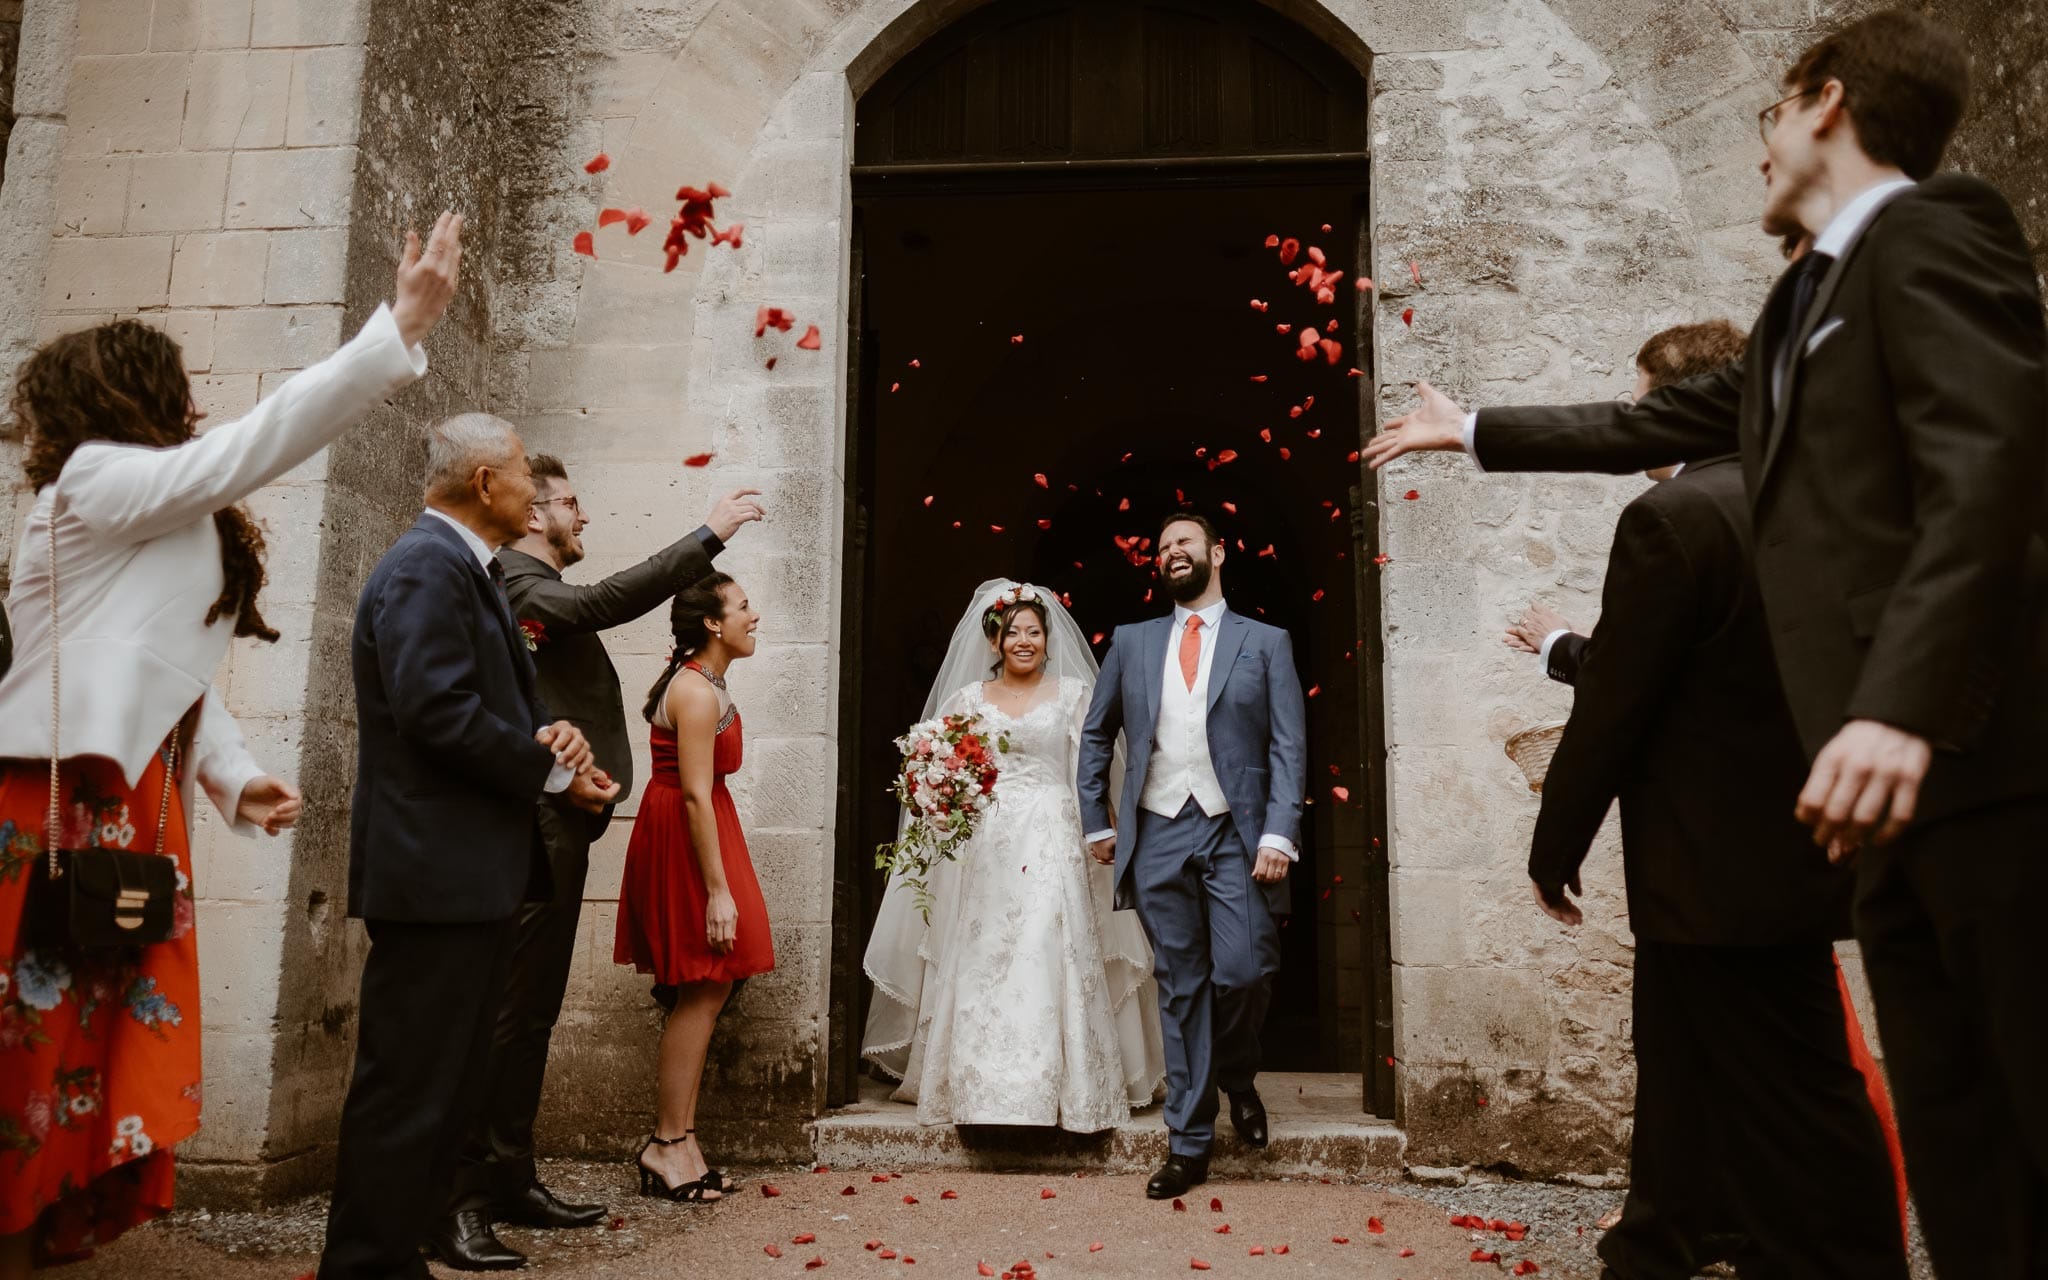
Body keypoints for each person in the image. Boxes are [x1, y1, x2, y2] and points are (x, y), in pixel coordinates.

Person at [1365, 12, 2048, 1275]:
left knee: (2017, 1114)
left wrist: (1896, 704)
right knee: (1959, 1147)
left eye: (1766, 115)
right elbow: (1658, 420)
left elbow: (1991, 467)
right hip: (1877, 792)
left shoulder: (1938, 235)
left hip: (1971, 761)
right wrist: (1468, 428)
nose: (1757, 149)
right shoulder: (1799, 298)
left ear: (1825, 104)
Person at [0, 213, 460, 1276]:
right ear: (129, 398)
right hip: (52, 799)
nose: (199, 403)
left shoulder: (152, 515)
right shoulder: (91, 486)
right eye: (177, 386)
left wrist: (235, 771)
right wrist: (392, 329)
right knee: (35, 1045)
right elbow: (247, 449)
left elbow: (163, 670)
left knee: (83, 1043)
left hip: (132, 803)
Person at [1523, 333, 1906, 1280]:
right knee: (1687, 1062)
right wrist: (1569, 647)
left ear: (1682, 403)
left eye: (1643, 398)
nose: (1638, 415)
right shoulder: (1816, 504)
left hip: (1705, 867)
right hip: (1798, 853)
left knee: (1804, 1089)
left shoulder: (1671, 515)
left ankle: (1845, 1259)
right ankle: (1664, 1239)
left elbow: (1621, 703)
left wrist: (1554, 845)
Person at [321, 414, 618, 1279]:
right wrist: (548, 776)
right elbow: (435, 712)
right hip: (435, 874)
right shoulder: (425, 565)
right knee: (407, 1088)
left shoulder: (466, 568)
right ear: (486, 483)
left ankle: (396, 1256)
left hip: (467, 873)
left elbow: (473, 699)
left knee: (444, 1090)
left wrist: (550, 735)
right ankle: (364, 1264)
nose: (535, 491)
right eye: (526, 473)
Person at [445, 460, 764, 1244]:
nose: (581, 519)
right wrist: (709, 534)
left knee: (536, 1012)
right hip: (531, 821)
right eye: (570, 505)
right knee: (508, 1012)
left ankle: (510, 1177)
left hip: (567, 813)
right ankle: (462, 1195)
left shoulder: (528, 584)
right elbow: (599, 603)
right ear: (531, 517)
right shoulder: (516, 579)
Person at [861, 581, 1165, 1132]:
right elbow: (942, 765)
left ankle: (1064, 1090)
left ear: (1048, 640)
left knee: (1052, 945)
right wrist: (938, 796)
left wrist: (1107, 828)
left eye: (1034, 631)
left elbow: (1093, 768)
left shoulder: (1074, 695)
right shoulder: (967, 700)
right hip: (986, 842)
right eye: (1012, 632)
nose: (1023, 640)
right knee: (985, 947)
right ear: (995, 640)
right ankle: (982, 1093)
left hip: (1054, 834)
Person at [1076, 514, 1307, 1199]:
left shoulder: (1266, 642)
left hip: (1235, 829)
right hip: (1158, 830)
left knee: (1241, 971)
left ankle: (1236, 1072)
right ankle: (1190, 1141)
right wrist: (1097, 821)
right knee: (1181, 985)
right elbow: (1096, 735)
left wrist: (1277, 833)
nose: (1171, 552)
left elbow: (1287, 745)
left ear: (1217, 552)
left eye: (1184, 542)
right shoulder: (1132, 641)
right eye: (1161, 547)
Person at [614, 576, 771, 1203]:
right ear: (712, 623)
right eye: (742, 607)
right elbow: (696, 794)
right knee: (704, 983)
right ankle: (666, 1145)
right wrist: (717, 892)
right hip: (688, 832)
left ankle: (683, 1140)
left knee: (712, 983)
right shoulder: (695, 692)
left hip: (699, 824)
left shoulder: (702, 682)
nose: (753, 616)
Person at [1503, 321, 1749, 686]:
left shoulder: (1669, 511)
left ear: (1675, 412)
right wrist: (1602, 638)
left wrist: (1554, 643)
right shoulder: (1765, 486)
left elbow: (1626, 678)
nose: (1635, 426)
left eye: (1639, 411)